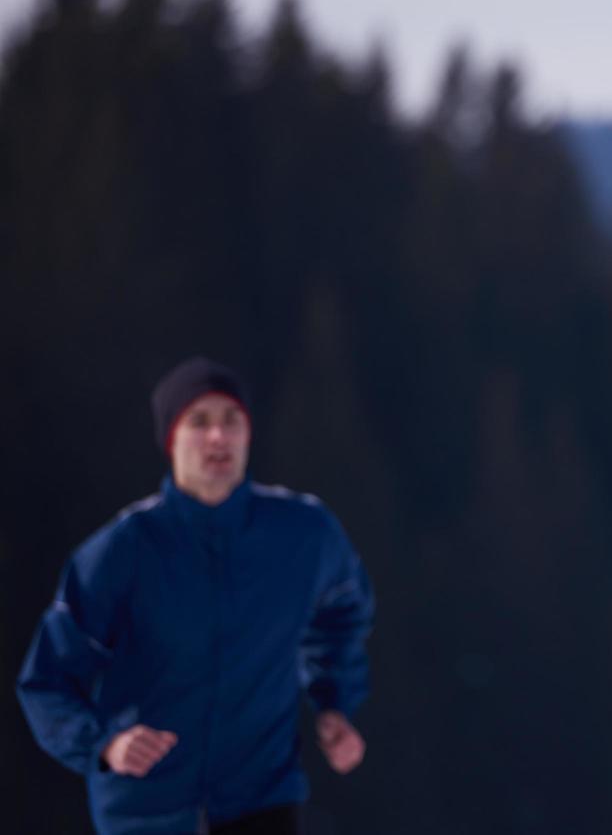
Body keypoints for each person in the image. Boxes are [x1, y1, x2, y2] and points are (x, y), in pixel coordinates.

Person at [17, 357, 375, 835]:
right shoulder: (122, 551)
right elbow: (47, 681)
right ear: (171, 439)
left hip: (261, 798)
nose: (218, 437)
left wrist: (333, 702)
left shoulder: (304, 533)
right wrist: (104, 745)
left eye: (232, 421)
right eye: (199, 422)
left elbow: (342, 613)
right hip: (146, 809)